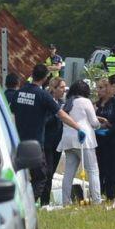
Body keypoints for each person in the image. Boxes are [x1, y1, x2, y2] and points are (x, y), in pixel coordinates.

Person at [10, 64, 84, 201]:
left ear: (32, 74)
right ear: (45, 78)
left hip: (19, 141)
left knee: (24, 175)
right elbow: (61, 114)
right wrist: (78, 127)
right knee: (41, 176)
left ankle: (24, 201)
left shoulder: (19, 93)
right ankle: (27, 205)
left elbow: (12, 112)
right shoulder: (42, 95)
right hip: (35, 143)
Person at [58, 80, 102, 205]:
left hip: (67, 140)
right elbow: (94, 122)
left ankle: (65, 201)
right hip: (84, 140)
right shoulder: (86, 101)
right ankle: (96, 200)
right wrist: (100, 126)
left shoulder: (66, 103)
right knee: (92, 170)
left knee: (69, 172)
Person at [38, 77, 67, 206]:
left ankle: (45, 200)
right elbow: (43, 121)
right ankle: (44, 202)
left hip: (58, 143)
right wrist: (55, 115)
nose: (64, 90)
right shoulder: (46, 101)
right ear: (53, 89)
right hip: (47, 142)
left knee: (52, 172)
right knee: (47, 173)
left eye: (65, 87)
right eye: (61, 87)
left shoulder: (61, 102)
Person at [94, 77, 115, 199]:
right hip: (97, 138)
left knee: (110, 167)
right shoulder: (96, 104)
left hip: (109, 139)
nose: (98, 91)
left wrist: (106, 122)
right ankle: (99, 192)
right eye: (97, 88)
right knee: (98, 167)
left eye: (101, 88)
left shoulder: (114, 103)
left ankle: (110, 194)